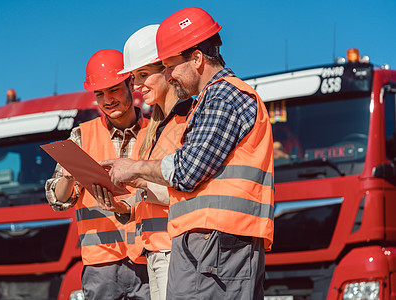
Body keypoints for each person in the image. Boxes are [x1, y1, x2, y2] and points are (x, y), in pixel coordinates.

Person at [102, 7, 274, 299]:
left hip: (216, 243)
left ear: (196, 58)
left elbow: (187, 171)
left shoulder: (224, 96)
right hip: (212, 242)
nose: (168, 76)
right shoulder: (212, 99)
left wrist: (135, 169)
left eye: (170, 66)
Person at [45, 49, 150, 300]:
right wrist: (69, 176)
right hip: (101, 263)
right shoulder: (81, 136)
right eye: (99, 93)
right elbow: (58, 201)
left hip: (149, 255)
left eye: (114, 89)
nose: (107, 100)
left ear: (131, 83)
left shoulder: (156, 131)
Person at [105, 24, 193, 300]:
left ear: (168, 70)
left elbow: (193, 191)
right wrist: (122, 205)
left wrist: (140, 178)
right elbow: (157, 193)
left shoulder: (188, 122)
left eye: (143, 74)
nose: (136, 85)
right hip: (155, 251)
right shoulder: (156, 128)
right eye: (133, 77)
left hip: (179, 251)